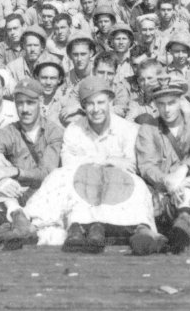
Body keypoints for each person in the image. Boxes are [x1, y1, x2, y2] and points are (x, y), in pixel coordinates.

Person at [24, 76, 166, 255]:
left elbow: (130, 165)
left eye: (101, 102)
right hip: (83, 184)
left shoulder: (128, 129)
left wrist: (93, 160)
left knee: (136, 184)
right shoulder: (74, 130)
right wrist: (108, 160)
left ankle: (143, 229)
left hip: (118, 184)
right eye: (90, 104)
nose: (96, 109)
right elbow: (70, 166)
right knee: (60, 177)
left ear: (110, 102)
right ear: (83, 106)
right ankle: (51, 223)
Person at [0, 78, 65, 248]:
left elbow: (46, 173)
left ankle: (4, 229)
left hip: (44, 195)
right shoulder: (8, 131)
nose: (24, 109)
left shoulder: (54, 132)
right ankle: (17, 218)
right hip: (15, 195)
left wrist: (14, 172)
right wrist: (1, 180)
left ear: (40, 103)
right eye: (20, 103)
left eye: (30, 103)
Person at [136, 78, 190, 253]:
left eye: (172, 103)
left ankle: (182, 225)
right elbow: (147, 166)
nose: (167, 110)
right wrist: (168, 181)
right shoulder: (148, 128)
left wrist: (183, 171)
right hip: (161, 189)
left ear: (181, 101)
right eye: (161, 104)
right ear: (155, 105)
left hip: (189, 184)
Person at [34, 58, 67, 124]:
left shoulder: (67, 100)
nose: (48, 82)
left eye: (53, 78)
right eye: (44, 78)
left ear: (59, 79)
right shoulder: (29, 99)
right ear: (37, 78)